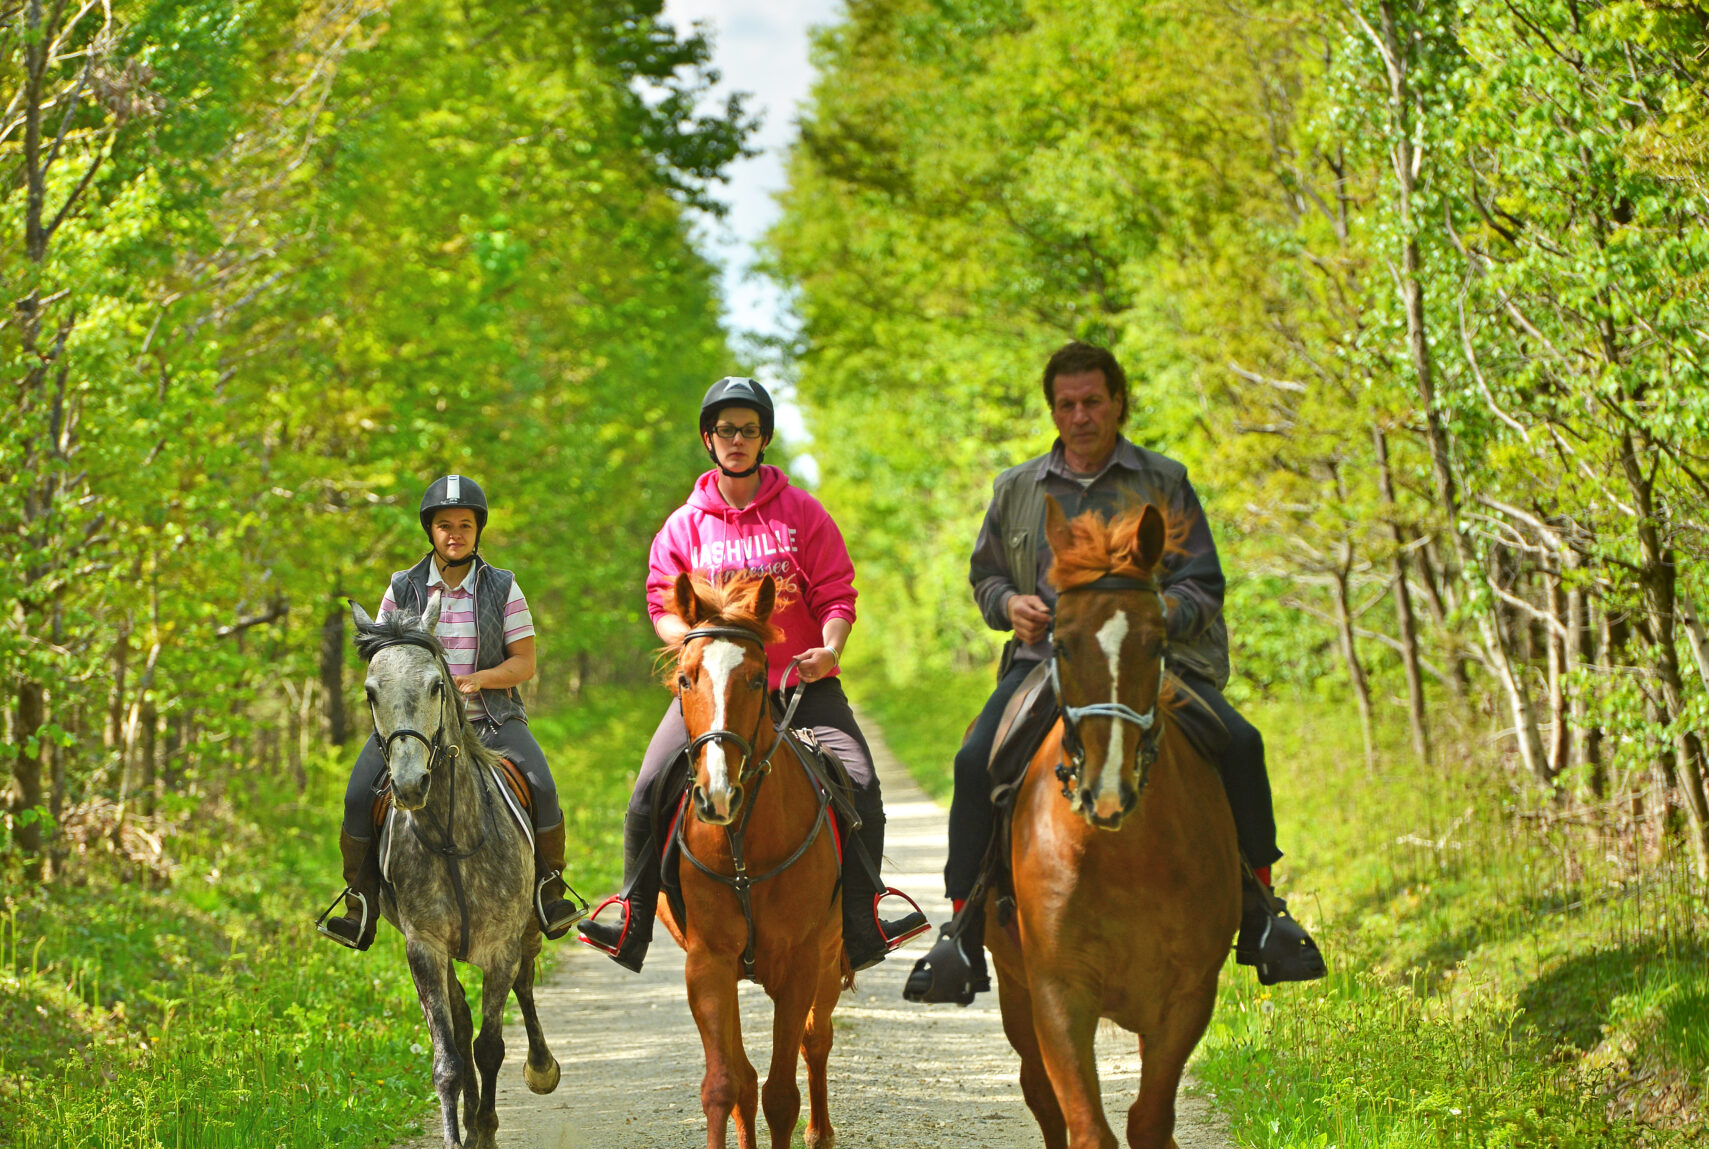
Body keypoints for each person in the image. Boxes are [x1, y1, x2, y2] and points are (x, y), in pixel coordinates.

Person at [903, 341, 1326, 1003]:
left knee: (1241, 743)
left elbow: (1203, 583)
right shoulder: (1017, 489)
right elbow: (985, 575)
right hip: (1048, 663)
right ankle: (960, 928)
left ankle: (1263, 913)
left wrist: (1150, 617)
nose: (1080, 416)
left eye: (1092, 401)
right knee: (973, 759)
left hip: (1148, 664)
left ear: (1117, 402)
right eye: (1067, 405)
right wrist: (1008, 604)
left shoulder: (1163, 480)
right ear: (1053, 410)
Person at [580, 375, 922, 975]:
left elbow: (838, 594)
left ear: (764, 438)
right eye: (725, 430)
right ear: (708, 439)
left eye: (749, 429)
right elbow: (662, 606)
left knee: (862, 784)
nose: (736, 439)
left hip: (798, 687)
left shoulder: (802, 514)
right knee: (647, 791)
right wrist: (695, 648)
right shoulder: (683, 526)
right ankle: (632, 916)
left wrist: (830, 650)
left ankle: (865, 919)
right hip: (713, 692)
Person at [319, 474, 582, 951]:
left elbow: (525, 662)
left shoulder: (503, 587)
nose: (455, 533)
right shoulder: (402, 587)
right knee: (360, 794)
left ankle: (548, 890)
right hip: (414, 726)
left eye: (465, 524)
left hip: (491, 718)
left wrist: (479, 679)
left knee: (542, 785)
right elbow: (381, 656)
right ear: (431, 531)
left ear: (478, 529)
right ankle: (360, 903)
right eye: (445, 525)